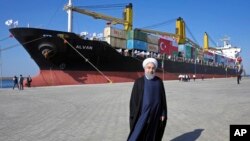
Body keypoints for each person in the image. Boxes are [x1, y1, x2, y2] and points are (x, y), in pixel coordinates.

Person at [127, 58, 167, 141]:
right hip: (142, 115)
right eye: (148, 67)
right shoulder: (139, 82)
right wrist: (134, 115)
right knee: (137, 135)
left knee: (152, 135)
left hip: (155, 115)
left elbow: (163, 98)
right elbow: (134, 100)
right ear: (144, 68)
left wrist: (163, 113)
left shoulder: (159, 81)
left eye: (153, 68)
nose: (151, 70)